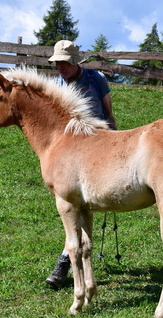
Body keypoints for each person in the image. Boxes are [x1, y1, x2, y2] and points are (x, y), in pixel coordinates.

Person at [45, 40, 117, 289]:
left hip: (98, 145)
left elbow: (108, 113)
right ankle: (69, 260)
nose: (60, 67)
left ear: (75, 62)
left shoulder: (96, 79)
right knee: (73, 207)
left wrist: (116, 143)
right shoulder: (56, 85)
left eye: (64, 62)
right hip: (71, 152)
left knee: (79, 208)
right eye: (57, 63)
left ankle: (66, 262)